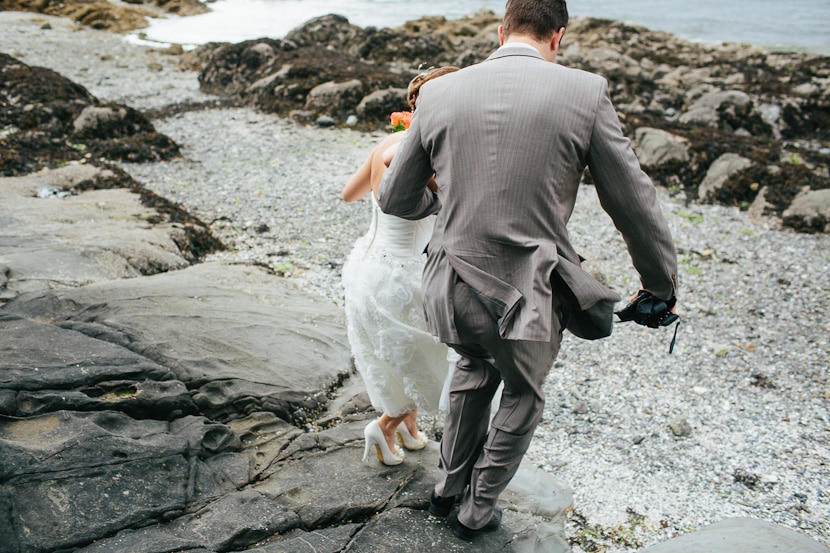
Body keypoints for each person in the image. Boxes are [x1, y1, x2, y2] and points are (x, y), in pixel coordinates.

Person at [377, 0, 678, 541]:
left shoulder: (441, 92)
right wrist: (659, 284)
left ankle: (448, 488)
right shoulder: (585, 92)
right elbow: (632, 201)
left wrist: (447, 212)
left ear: (501, 30)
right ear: (558, 36)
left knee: (471, 370)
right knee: (523, 393)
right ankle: (477, 510)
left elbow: (395, 198)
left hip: (449, 282)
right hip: (530, 289)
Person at [341, 66, 460, 466]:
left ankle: (409, 429)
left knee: (396, 357)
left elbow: (349, 194)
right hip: (403, 274)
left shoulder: (387, 143)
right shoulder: (427, 155)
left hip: (365, 265)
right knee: (428, 361)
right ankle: (385, 427)